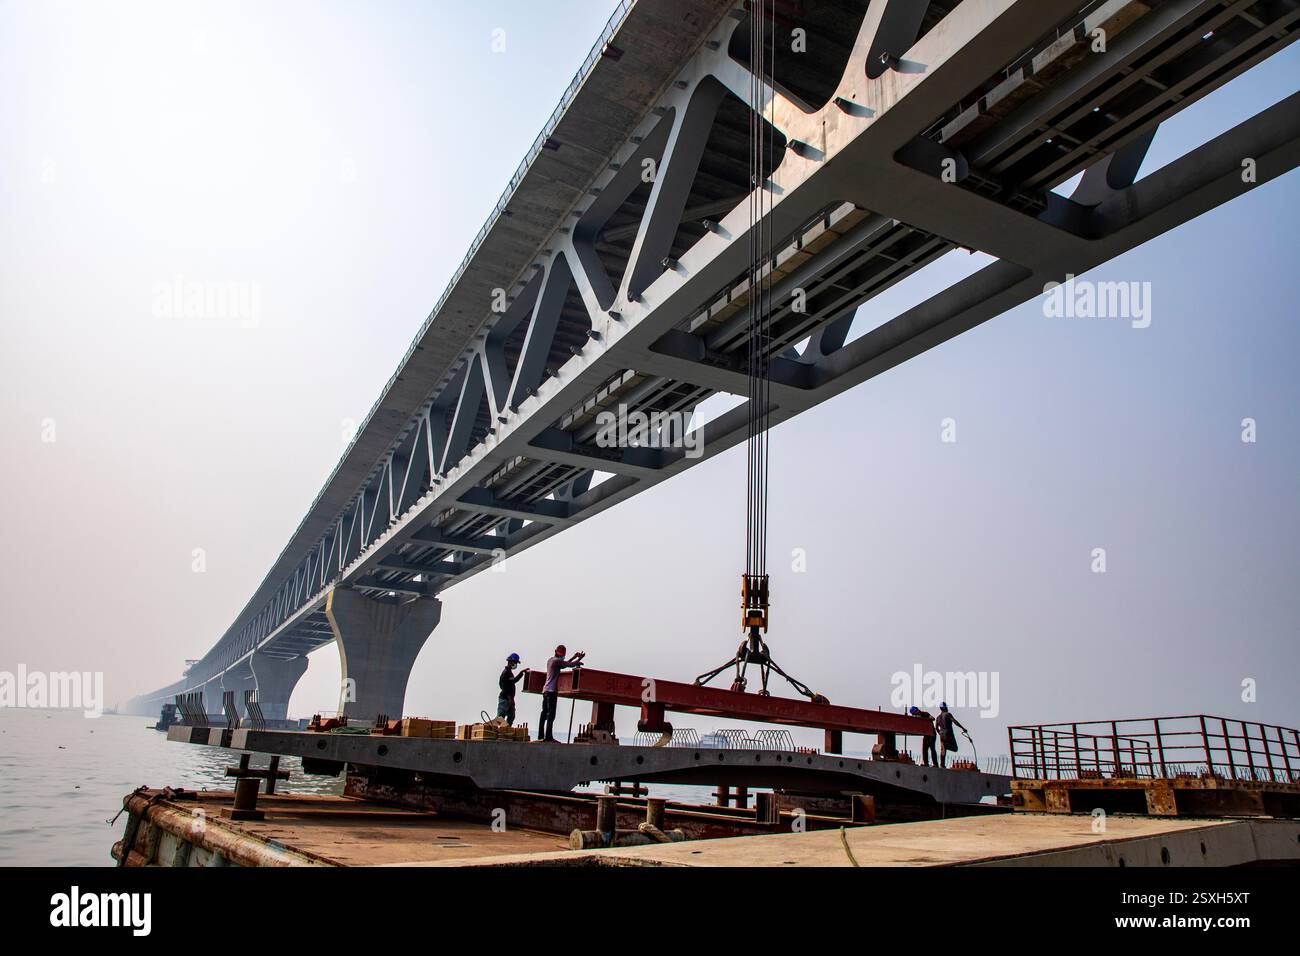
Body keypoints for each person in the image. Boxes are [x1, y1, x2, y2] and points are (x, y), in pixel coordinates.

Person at [538, 644, 585, 742]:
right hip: (551, 692)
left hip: (545, 690)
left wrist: (574, 657)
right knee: (551, 715)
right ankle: (548, 737)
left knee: (544, 714)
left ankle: (540, 736)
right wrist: (579, 659)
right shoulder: (557, 661)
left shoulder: (551, 660)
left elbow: (564, 663)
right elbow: (568, 664)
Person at [496, 653, 528, 726]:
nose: (515, 664)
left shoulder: (509, 672)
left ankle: (506, 731)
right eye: (515, 662)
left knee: (511, 716)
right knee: (500, 718)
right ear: (510, 662)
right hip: (504, 699)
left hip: (509, 699)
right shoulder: (506, 673)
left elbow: (512, 681)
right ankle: (497, 732)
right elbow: (504, 687)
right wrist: (509, 698)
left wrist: (521, 673)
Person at [935, 701, 968, 768]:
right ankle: (946, 746)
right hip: (948, 733)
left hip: (942, 734)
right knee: (955, 748)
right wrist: (962, 728)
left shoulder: (938, 717)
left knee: (943, 749)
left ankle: (942, 765)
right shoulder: (948, 714)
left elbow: (936, 727)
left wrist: (940, 733)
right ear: (945, 707)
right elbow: (955, 721)